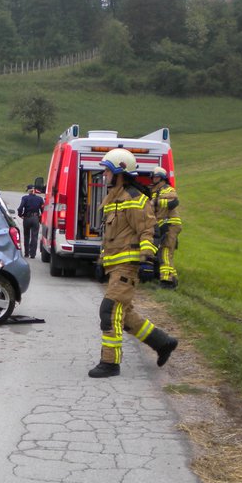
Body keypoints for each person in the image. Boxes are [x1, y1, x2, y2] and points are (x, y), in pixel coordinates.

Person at [88, 148, 179, 378]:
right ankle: (162, 342)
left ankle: (110, 363)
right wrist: (101, 261)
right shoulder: (112, 200)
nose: (104, 175)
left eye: (108, 171)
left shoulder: (135, 199)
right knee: (125, 314)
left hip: (128, 267)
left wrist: (147, 261)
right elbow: (109, 236)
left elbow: (148, 230)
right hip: (115, 266)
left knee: (109, 311)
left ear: (120, 173)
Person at [149, 166, 182, 289]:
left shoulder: (167, 189)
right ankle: (173, 279)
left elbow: (174, 202)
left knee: (166, 251)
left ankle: (166, 281)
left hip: (170, 224)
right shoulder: (156, 191)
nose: (153, 179)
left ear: (162, 178)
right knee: (166, 251)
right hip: (165, 224)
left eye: (156, 177)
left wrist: (155, 202)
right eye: (153, 176)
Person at [17, 184, 44, 258]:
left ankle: (26, 253)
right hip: (35, 218)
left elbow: (20, 208)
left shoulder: (25, 198)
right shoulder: (40, 199)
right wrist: (40, 218)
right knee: (34, 236)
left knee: (26, 236)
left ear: (29, 191)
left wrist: (20, 214)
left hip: (27, 218)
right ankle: (33, 254)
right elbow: (43, 210)